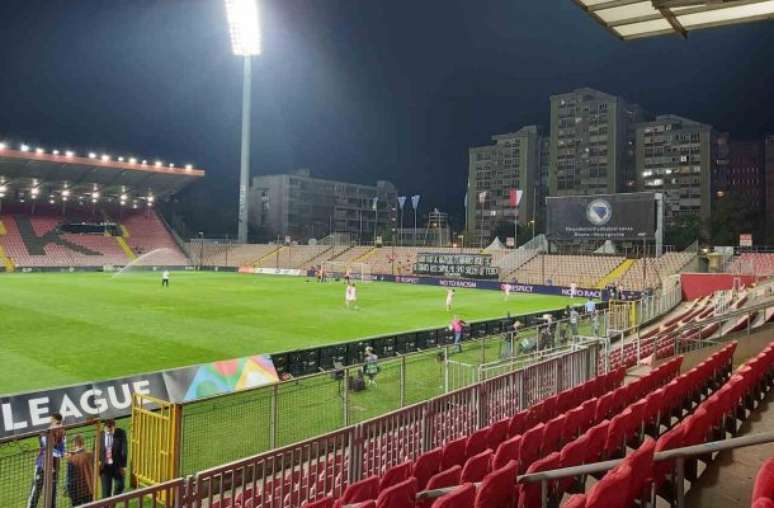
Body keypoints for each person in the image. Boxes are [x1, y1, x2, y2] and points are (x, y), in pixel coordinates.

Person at [28, 413, 66, 508]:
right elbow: (48, 449)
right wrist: (60, 453)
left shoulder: (63, 433)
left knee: (52, 494)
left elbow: (62, 450)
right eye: (57, 423)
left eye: (60, 423)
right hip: (41, 466)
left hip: (54, 467)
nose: (59, 425)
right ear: (52, 422)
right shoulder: (44, 433)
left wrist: (61, 453)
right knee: (36, 492)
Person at [99, 419, 127, 499]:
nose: (110, 433)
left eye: (112, 431)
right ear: (104, 428)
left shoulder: (121, 433)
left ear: (115, 427)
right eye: (108, 431)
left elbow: (124, 451)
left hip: (117, 466)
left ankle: (113, 503)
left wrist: (124, 466)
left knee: (120, 486)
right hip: (105, 468)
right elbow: (95, 450)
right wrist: (98, 462)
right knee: (106, 494)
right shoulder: (99, 435)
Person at [66, 434, 94, 507]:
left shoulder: (71, 459)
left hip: (76, 491)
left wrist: (68, 490)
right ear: (83, 443)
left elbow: (69, 479)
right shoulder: (90, 455)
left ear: (74, 444)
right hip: (89, 489)